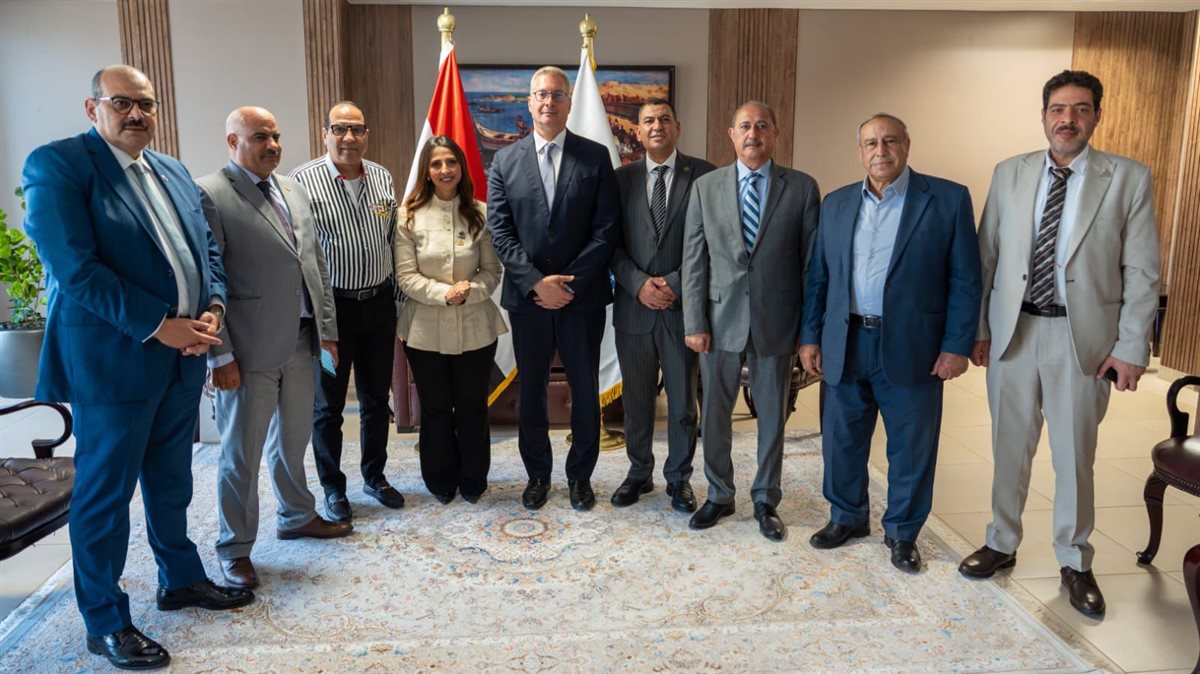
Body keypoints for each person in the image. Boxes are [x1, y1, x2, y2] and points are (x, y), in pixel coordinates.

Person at [21, 65, 252, 671]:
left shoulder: (171, 169)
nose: (136, 114)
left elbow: (206, 251)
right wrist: (158, 324)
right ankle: (105, 621)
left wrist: (213, 308)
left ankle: (180, 579)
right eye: (121, 102)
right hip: (113, 362)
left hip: (183, 357)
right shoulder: (59, 165)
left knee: (172, 480)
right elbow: (75, 269)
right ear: (92, 107)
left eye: (146, 104)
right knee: (105, 495)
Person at [959, 70, 1160, 617]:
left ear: (1096, 116)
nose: (1067, 119)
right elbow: (985, 258)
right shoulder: (1010, 172)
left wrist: (1131, 347)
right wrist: (979, 330)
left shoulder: (1128, 178)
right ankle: (1001, 542)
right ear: (1044, 115)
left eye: (1080, 109)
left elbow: (1142, 271)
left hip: (1083, 341)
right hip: (1015, 332)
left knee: (1074, 457)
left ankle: (1074, 559)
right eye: (1058, 109)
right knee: (1008, 447)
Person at [799, 113, 981, 572]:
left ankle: (902, 531)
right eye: (871, 143)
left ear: (906, 145)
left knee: (911, 445)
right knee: (841, 438)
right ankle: (847, 516)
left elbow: (965, 279)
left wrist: (956, 345)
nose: (880, 150)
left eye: (890, 141)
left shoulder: (947, 199)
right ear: (860, 152)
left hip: (914, 345)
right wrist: (810, 336)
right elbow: (819, 277)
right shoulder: (837, 203)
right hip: (846, 339)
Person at [198, 106, 352, 592]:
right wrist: (220, 355)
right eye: (260, 137)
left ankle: (296, 515)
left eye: (276, 136)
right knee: (240, 455)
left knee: (292, 439)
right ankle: (235, 548)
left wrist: (327, 331)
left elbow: (314, 264)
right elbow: (208, 280)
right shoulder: (210, 193)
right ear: (232, 141)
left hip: (301, 342)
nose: (273, 145)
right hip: (247, 351)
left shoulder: (293, 189)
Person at [681, 101, 820, 541]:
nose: (753, 134)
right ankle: (719, 494)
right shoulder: (706, 187)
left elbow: (811, 266)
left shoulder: (801, 188)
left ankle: (765, 499)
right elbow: (694, 261)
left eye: (762, 126)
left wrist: (807, 332)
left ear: (775, 133)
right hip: (718, 321)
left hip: (777, 322)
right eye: (745, 126)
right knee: (714, 416)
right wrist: (694, 322)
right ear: (732, 134)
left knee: (772, 417)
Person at [487, 66, 620, 511]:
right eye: (541, 95)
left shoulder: (594, 156)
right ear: (529, 103)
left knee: (584, 389)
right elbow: (500, 230)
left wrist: (569, 284)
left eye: (557, 95)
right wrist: (535, 284)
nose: (549, 102)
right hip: (528, 301)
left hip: (582, 298)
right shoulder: (505, 160)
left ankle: (580, 476)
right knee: (532, 392)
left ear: (568, 101)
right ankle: (538, 475)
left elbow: (606, 229)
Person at [289, 102, 403, 522]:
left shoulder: (382, 177)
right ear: (325, 134)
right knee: (328, 405)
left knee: (376, 399)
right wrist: (316, 320)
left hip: (378, 307)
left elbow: (393, 240)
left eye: (356, 129)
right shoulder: (302, 181)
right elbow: (298, 251)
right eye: (339, 129)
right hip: (330, 312)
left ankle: (375, 476)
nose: (349, 138)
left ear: (366, 134)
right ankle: (333, 487)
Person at [610, 99, 715, 513]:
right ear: (638, 131)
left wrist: (673, 282)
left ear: (677, 127)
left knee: (682, 403)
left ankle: (678, 479)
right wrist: (638, 284)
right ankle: (639, 472)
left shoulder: (704, 175)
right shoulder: (620, 180)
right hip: (633, 309)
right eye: (649, 121)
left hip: (682, 309)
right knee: (636, 402)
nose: (657, 126)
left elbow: (712, 242)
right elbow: (610, 244)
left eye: (664, 119)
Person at [394, 135, 507, 504]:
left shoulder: (481, 213)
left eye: (451, 162)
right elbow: (405, 276)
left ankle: (473, 478)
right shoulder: (408, 216)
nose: (445, 170)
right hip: (424, 329)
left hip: (476, 326)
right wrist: (445, 293)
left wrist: (470, 290)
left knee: (473, 407)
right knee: (436, 408)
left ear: (461, 167)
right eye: (437, 163)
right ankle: (440, 478)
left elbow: (492, 270)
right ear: (427, 171)